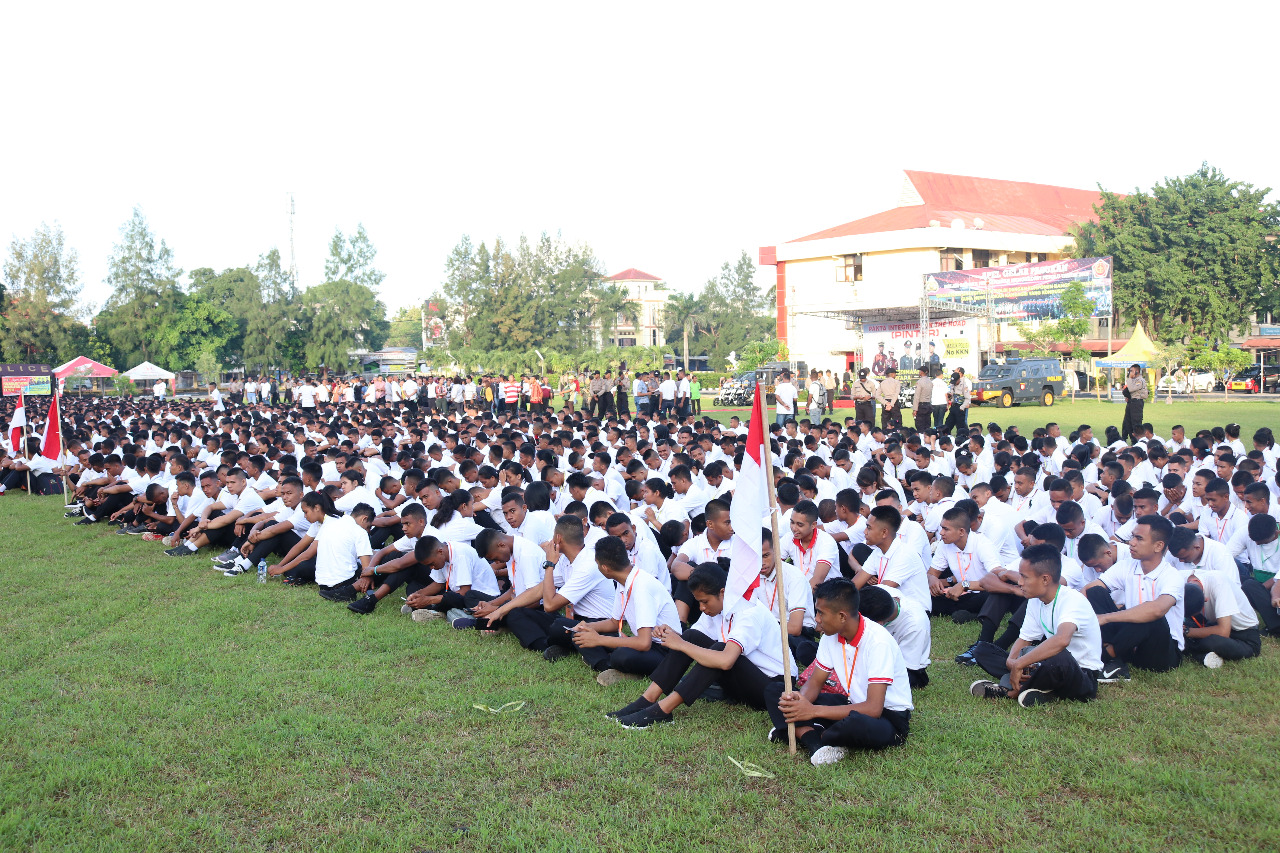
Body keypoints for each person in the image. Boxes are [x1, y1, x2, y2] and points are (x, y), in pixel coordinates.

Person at [610, 563, 795, 730]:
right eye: (698, 601)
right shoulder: (717, 607)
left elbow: (725, 661)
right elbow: (690, 639)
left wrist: (681, 644)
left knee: (719, 650)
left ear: (722, 592)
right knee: (691, 636)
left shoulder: (748, 612)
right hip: (744, 679)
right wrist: (670, 635)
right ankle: (646, 700)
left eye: (704, 601)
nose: (701, 607)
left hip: (774, 689)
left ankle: (662, 711)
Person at [763, 579, 912, 766]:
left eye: (821, 613)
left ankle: (799, 732)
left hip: (887, 717)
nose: (816, 619)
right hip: (852, 704)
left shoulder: (878, 642)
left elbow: (874, 709)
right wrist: (800, 701)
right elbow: (816, 682)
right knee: (777, 691)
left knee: (855, 724)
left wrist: (812, 711)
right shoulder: (830, 635)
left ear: (842, 616)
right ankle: (816, 744)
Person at [968, 544, 1103, 706]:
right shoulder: (1035, 600)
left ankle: (1010, 690)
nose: (1019, 582)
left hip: (1080, 673)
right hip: (1047, 666)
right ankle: (1039, 689)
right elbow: (1025, 639)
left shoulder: (1072, 600)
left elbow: (1062, 640)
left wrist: (1020, 664)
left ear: (1045, 579)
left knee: (1058, 656)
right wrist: (1012, 662)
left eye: (1024, 577)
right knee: (982, 649)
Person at [1082, 514, 1184, 680]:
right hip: (1129, 640)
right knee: (1095, 593)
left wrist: (1106, 618)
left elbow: (1157, 610)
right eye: (1132, 537)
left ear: (1158, 546)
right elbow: (1087, 591)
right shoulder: (1126, 565)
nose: (1131, 543)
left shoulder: (1172, 576)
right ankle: (1114, 656)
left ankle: (1104, 657)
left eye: (1139, 538)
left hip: (1160, 652)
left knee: (1150, 616)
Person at [570, 536, 682, 684]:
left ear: (605, 568)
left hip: (665, 649)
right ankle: (609, 664)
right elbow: (614, 622)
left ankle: (618, 667)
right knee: (580, 635)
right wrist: (587, 627)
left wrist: (598, 639)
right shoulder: (624, 581)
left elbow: (644, 643)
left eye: (597, 564)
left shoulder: (641, 586)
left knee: (621, 655)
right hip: (645, 645)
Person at [1121, 364, 1147, 443]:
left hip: (1137, 403)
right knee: (1127, 422)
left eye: (1131, 371)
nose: (1130, 372)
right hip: (1131, 402)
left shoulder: (1140, 380)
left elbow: (1131, 389)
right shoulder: (1133, 380)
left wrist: (1129, 378)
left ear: (1137, 371)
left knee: (1135, 423)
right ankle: (1126, 439)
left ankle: (1137, 441)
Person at [912, 366, 933, 433]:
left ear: (921, 372)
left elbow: (917, 396)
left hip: (921, 405)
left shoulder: (920, 382)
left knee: (920, 425)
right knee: (927, 424)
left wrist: (915, 409)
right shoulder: (930, 382)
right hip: (928, 404)